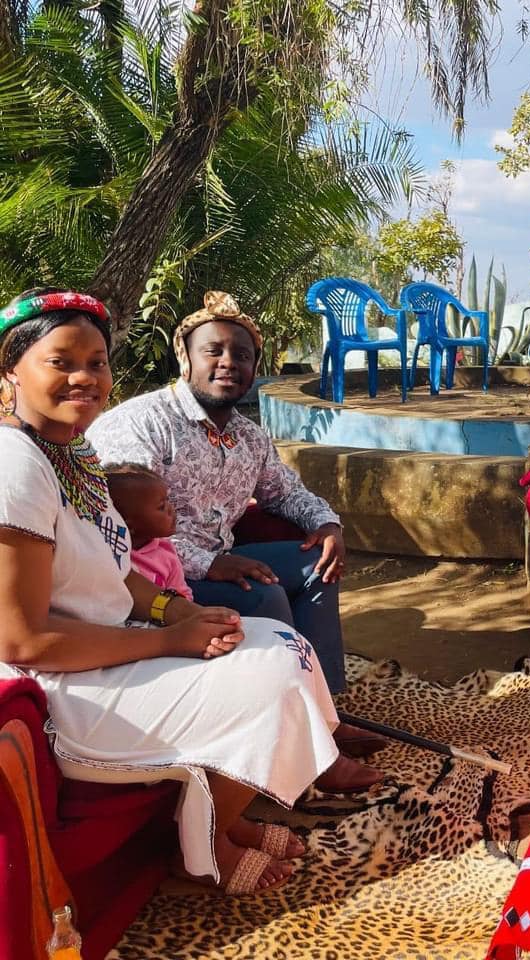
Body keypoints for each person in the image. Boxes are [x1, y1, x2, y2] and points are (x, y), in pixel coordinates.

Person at [0, 287, 380, 896]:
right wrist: (169, 638)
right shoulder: (17, 465)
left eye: (96, 363)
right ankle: (205, 849)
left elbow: (114, 568)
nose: (84, 378)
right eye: (61, 362)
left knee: (281, 642)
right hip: (66, 688)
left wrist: (175, 609)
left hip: (117, 641)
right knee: (267, 672)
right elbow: (22, 639)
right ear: (10, 373)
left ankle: (240, 804)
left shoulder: (72, 453)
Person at [87, 293, 352, 695]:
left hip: (223, 558)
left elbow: (284, 492)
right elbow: (116, 528)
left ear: (254, 368)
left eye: (242, 355)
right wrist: (209, 563)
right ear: (186, 359)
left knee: (320, 561)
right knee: (264, 595)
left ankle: (326, 697)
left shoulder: (249, 436)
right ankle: (281, 703)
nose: (228, 362)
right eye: (213, 351)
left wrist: (326, 523)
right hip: (151, 577)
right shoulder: (141, 424)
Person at [105, 463, 194, 599]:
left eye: (167, 500)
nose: (171, 509)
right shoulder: (108, 553)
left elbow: (183, 594)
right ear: (128, 524)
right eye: (161, 506)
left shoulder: (166, 553)